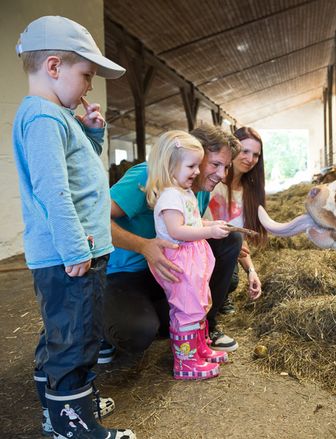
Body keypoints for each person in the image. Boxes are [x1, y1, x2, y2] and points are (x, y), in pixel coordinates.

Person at [12, 16, 135, 439]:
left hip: (74, 250)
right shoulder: (44, 118)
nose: (88, 87)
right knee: (77, 338)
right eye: (85, 75)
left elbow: (79, 171)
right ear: (53, 67)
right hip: (73, 253)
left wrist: (94, 134)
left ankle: (62, 406)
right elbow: (53, 189)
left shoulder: (56, 117)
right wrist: (75, 249)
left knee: (63, 332)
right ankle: (73, 425)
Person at [104, 123, 242, 357]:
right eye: (216, 164)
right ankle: (97, 323)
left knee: (231, 240)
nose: (222, 175)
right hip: (127, 271)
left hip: (169, 269)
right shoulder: (148, 175)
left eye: (226, 167)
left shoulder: (199, 187)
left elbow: (195, 226)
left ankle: (203, 327)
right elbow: (95, 219)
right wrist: (143, 246)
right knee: (137, 332)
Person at [144, 130, 229, 379]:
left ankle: (199, 348)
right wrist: (209, 230)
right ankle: (185, 361)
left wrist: (208, 224)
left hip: (192, 258)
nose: (196, 171)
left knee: (198, 303)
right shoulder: (170, 195)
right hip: (180, 261)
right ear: (170, 165)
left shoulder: (184, 191)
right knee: (186, 308)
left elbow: (191, 220)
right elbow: (177, 230)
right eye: (191, 165)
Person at [204, 126, 267, 313]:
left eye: (256, 155)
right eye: (245, 151)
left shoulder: (249, 193)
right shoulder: (211, 181)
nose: (250, 159)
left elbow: (240, 239)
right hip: (198, 246)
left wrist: (251, 271)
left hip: (224, 250)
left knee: (232, 280)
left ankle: (220, 296)